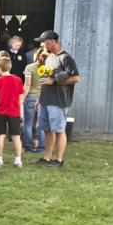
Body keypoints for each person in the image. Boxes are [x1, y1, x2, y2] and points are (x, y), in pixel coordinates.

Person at [36, 30, 80, 168]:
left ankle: (59, 160)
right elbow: (47, 78)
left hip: (59, 100)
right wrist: (39, 98)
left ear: (53, 42)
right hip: (46, 99)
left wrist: (55, 82)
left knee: (59, 130)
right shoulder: (49, 58)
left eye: (45, 42)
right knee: (47, 130)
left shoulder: (66, 58)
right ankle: (47, 158)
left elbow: (76, 78)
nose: (43, 44)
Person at [0, 55, 24, 168]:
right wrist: (19, 106)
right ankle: (18, 160)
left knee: (0, 135)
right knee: (16, 136)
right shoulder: (18, 80)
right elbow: (21, 96)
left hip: (0, 111)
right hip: (14, 112)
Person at [21, 47, 48, 155]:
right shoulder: (48, 68)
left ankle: (28, 147)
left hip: (31, 98)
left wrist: (22, 99)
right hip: (43, 98)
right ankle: (41, 148)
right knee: (41, 125)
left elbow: (27, 85)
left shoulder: (29, 67)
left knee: (27, 123)